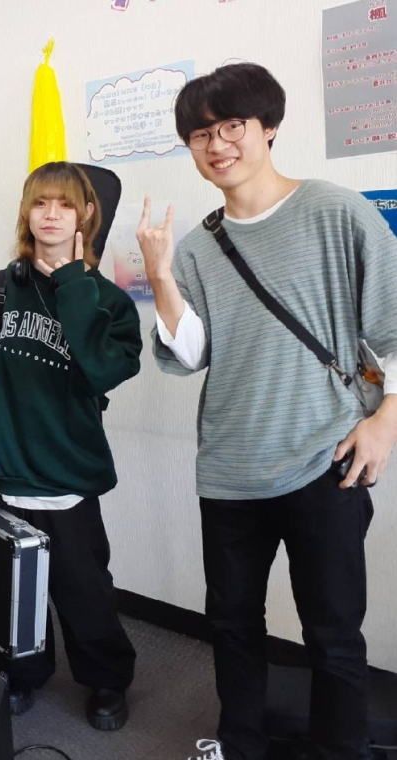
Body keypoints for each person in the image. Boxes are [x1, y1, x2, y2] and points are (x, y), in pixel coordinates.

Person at [137, 62, 397, 760]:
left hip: (325, 460)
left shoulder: (337, 212)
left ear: (268, 128)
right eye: (201, 135)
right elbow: (190, 355)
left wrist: (386, 420)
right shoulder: (198, 247)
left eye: (232, 126)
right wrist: (160, 276)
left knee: (333, 635)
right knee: (231, 625)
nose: (217, 145)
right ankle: (240, 744)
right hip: (230, 470)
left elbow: (394, 325)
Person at [0, 161, 141, 729]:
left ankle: (106, 679)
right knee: (13, 592)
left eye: (65, 204)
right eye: (41, 203)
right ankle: (20, 673)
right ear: (26, 213)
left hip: (70, 479)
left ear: (87, 214)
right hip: (7, 475)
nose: (52, 214)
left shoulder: (109, 302)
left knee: (86, 592)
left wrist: (74, 284)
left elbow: (103, 370)